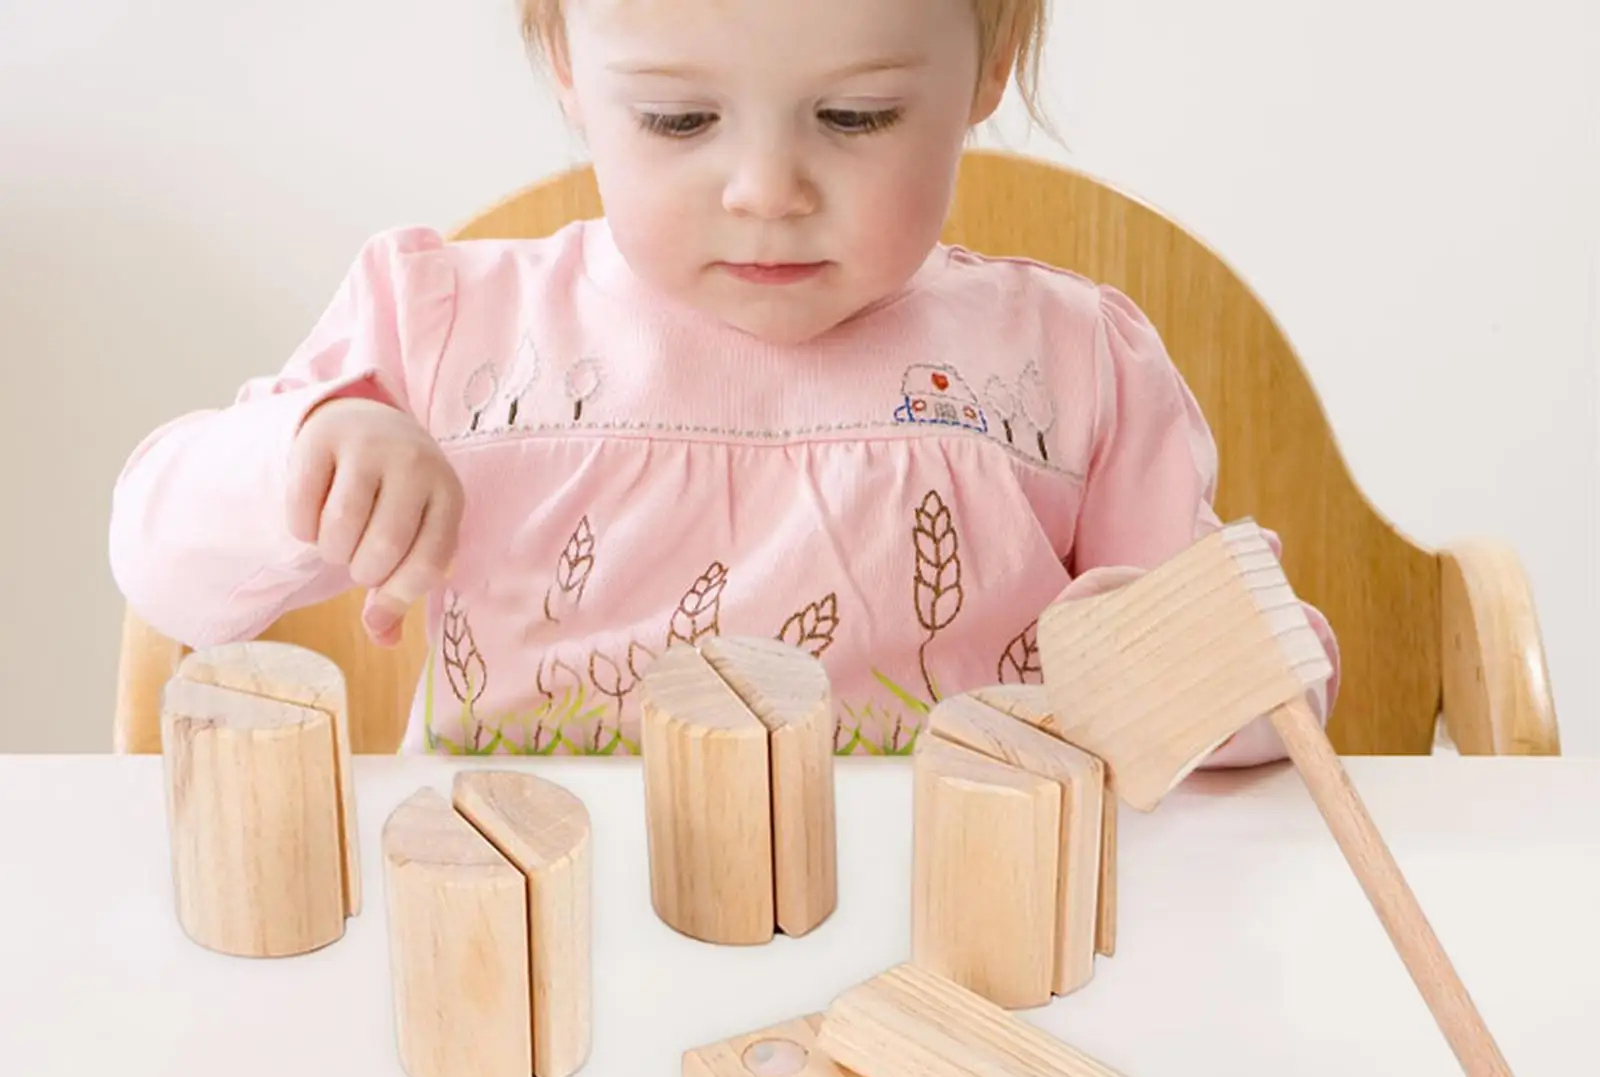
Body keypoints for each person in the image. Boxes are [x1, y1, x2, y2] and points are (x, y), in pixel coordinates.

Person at [109, 0, 1338, 758]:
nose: (766, 188)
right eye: (679, 122)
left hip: (956, 983)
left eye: (853, 117)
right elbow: (161, 560)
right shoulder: (443, 329)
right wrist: (306, 459)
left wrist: (1223, 674)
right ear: (566, 61)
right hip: (529, 975)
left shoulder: (1065, 368)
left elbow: (1246, 712)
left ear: (988, 62)